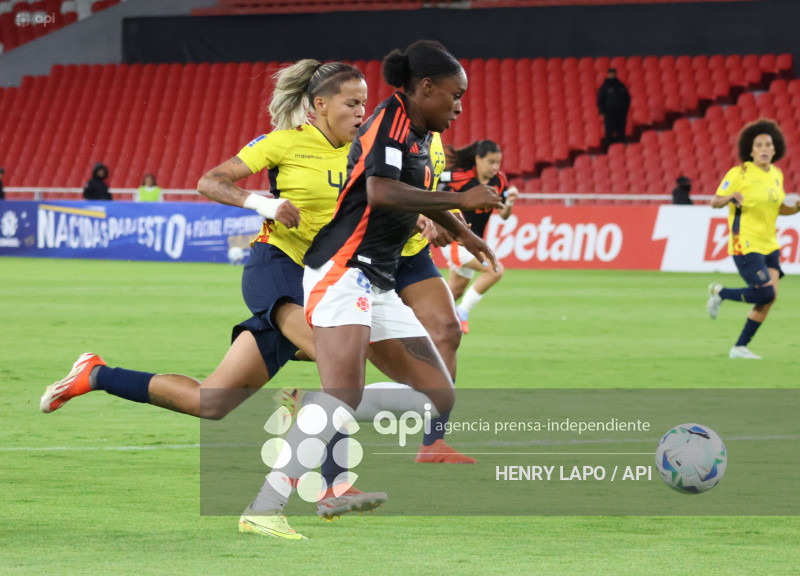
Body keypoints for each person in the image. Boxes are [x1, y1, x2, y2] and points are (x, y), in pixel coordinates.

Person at [240, 39, 502, 539]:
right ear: (425, 88)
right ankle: (265, 504)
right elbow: (381, 192)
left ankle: (315, 402)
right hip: (342, 269)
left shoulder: (423, 134)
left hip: (378, 279)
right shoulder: (390, 119)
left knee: (436, 395)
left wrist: (465, 232)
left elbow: (413, 194)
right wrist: (462, 196)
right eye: (454, 95)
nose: (460, 105)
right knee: (344, 390)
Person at [706, 118, 800, 359]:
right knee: (765, 293)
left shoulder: (776, 175)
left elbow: (778, 207)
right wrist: (729, 198)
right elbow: (715, 201)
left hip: (770, 243)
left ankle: (739, 347)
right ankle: (720, 292)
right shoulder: (740, 173)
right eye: (759, 145)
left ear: (775, 148)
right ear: (751, 150)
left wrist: (796, 207)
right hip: (745, 243)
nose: (765, 149)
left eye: (768, 144)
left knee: (768, 298)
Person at [439, 139, 518, 333]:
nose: (495, 167)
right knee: (495, 270)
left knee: (453, 293)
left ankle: (422, 320)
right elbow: (433, 183)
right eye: (491, 162)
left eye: (498, 162)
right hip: (456, 242)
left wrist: (509, 204)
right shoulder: (459, 177)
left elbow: (504, 215)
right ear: (478, 159)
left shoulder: (499, 181)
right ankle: (462, 312)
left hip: (472, 244)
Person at [597, 68, 630, 150]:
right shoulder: (604, 87)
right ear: (608, 75)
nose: (612, 76)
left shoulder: (621, 86)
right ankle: (609, 151)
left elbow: (627, 99)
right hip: (609, 114)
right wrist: (602, 112)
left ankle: (620, 150)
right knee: (609, 133)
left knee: (621, 133)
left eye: (613, 74)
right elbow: (600, 100)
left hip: (621, 114)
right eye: (611, 74)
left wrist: (625, 110)